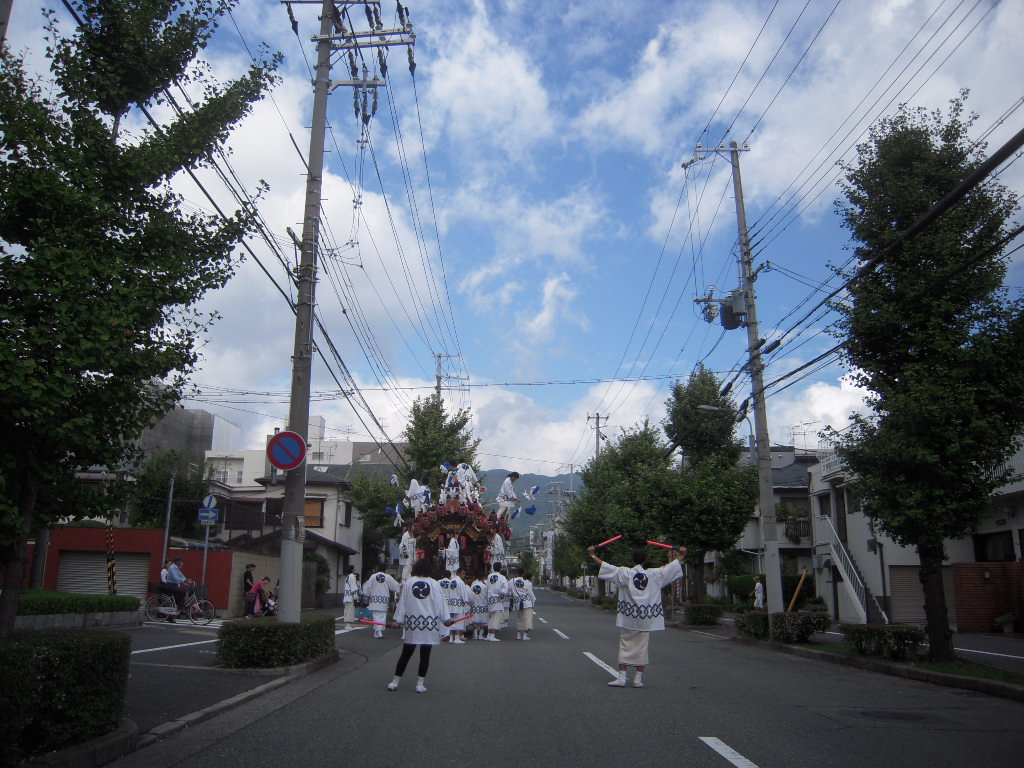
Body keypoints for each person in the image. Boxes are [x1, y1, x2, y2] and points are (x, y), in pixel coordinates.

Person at [588, 542, 687, 688]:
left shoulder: (625, 573)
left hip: (629, 617)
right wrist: (681, 555)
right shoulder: (654, 574)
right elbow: (671, 568)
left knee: (625, 645)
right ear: (645, 561)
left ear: (633, 560)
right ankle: (638, 679)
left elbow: (606, 567)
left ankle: (622, 677)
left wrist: (592, 555)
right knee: (642, 648)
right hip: (645, 618)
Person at [387, 558, 452, 692]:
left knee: (405, 654)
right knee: (425, 655)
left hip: (413, 623)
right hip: (429, 625)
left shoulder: (409, 582)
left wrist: (398, 620)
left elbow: (402, 603)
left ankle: (395, 681)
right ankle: (420, 684)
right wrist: (445, 620)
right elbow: (441, 604)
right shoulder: (434, 584)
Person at [362, 567, 400, 638]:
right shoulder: (388, 577)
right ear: (385, 570)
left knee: (376, 616)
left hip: (375, 599)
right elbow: (395, 586)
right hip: (384, 600)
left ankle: (377, 631)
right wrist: (399, 590)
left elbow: (368, 587)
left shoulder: (373, 576)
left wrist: (366, 595)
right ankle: (378, 631)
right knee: (382, 616)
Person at [484, 562, 509, 642]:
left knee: (491, 616)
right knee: (496, 617)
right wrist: (503, 593)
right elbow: (505, 588)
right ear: (500, 568)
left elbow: (487, 588)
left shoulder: (489, 576)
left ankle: (489, 634)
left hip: (490, 598)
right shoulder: (502, 577)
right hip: (497, 598)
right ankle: (492, 635)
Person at [509, 568, 537, 640]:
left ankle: (518, 634)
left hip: (518, 603)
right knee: (527, 619)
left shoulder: (511, 581)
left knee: (519, 618)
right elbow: (531, 594)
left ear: (516, 573)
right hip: (527, 603)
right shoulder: (526, 583)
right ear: (523, 574)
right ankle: (525, 635)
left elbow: (507, 591)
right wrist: (533, 604)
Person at [164, 556, 190, 622]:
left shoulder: (176, 568)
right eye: (181, 562)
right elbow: (175, 577)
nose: (182, 563)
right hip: (170, 586)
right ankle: (180, 606)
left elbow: (180, 575)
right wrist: (184, 581)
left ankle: (171, 616)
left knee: (175, 600)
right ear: (177, 562)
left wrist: (187, 580)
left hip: (174, 586)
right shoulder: (172, 568)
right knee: (182, 592)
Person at [469, 569, 488, 640]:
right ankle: (480, 635)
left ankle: (475, 635)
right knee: (482, 621)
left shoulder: (473, 585)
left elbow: (470, 595)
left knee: (475, 620)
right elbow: (486, 595)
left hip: (475, 605)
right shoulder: (484, 586)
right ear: (483, 578)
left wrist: (471, 603)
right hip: (482, 605)